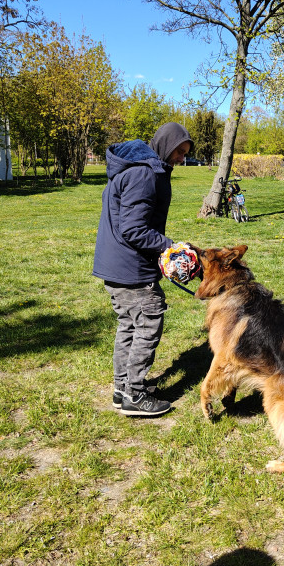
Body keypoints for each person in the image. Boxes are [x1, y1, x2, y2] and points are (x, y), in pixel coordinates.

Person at [93, 122, 193, 417]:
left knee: (129, 324)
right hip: (130, 267)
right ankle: (134, 395)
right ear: (165, 144)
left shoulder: (136, 167)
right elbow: (134, 230)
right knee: (149, 320)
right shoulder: (144, 174)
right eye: (179, 151)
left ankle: (122, 388)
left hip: (116, 264)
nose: (181, 158)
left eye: (185, 153)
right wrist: (170, 246)